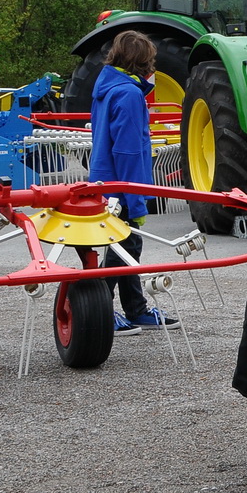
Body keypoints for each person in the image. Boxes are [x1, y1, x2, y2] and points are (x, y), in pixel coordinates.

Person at [89, 30, 178, 335]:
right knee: (124, 246)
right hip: (122, 186)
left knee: (126, 245)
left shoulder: (106, 88)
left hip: (105, 182)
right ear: (142, 62)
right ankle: (100, 310)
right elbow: (127, 151)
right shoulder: (128, 94)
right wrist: (136, 198)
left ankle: (134, 309)